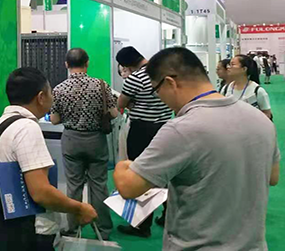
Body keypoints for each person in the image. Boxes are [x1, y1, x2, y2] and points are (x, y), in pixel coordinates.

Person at [114, 47, 280, 251]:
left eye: (157, 91)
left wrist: (124, 164)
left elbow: (128, 187)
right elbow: (273, 177)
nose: (160, 99)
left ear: (170, 83)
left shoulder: (181, 129)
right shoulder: (261, 121)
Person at [0, 67, 98, 251]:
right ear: (41, 97)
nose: (52, 97)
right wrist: (79, 208)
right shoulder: (27, 128)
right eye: (50, 92)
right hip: (30, 230)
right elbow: (41, 192)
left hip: (3, 223)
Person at [50, 48, 118, 239]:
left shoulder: (59, 89)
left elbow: (54, 120)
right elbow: (114, 113)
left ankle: (72, 229)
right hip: (96, 140)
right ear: (87, 63)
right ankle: (103, 229)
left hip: (71, 140)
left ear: (66, 64)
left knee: (74, 186)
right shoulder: (101, 85)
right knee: (99, 185)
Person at [115, 46, 172, 237]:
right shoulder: (163, 72)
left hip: (141, 130)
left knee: (142, 175)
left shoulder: (135, 78)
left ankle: (142, 225)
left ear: (127, 64)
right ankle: (168, 215)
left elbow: (121, 103)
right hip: (165, 127)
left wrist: (134, 103)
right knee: (165, 174)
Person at [227, 55, 273, 119]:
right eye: (229, 64)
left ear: (244, 69)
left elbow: (267, 114)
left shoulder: (257, 91)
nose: (228, 67)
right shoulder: (227, 88)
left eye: (233, 64)